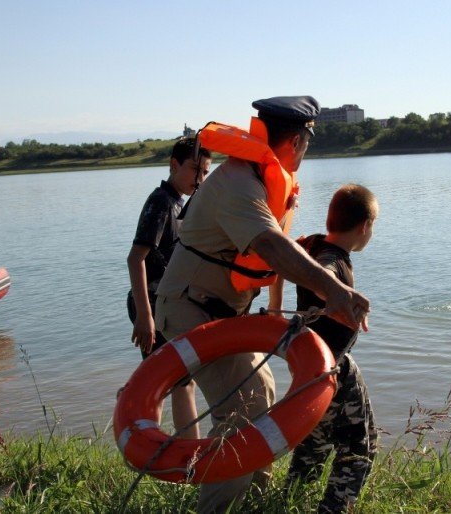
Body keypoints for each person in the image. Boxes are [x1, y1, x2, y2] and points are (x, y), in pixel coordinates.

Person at [154, 96, 370, 513]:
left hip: (223, 310)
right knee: (241, 409)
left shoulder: (264, 179)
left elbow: (274, 256)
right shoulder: (239, 182)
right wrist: (337, 292)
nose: (307, 150)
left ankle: (255, 503)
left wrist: (273, 312)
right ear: (297, 140)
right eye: (308, 140)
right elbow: (270, 246)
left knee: (264, 391)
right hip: (189, 307)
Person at [284, 184, 379, 514]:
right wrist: (332, 289)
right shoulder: (331, 261)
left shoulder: (311, 244)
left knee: (315, 443)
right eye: (373, 226)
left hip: (317, 368)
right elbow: (324, 273)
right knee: (358, 451)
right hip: (330, 370)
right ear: (365, 226)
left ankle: (289, 503)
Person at [126, 137, 212, 440]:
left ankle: (183, 454)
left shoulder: (181, 202)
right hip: (151, 304)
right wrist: (144, 317)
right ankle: (151, 449)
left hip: (169, 304)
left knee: (178, 381)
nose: (200, 180)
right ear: (174, 165)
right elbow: (136, 258)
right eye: (194, 170)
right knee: (162, 383)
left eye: (205, 172)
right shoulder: (161, 201)